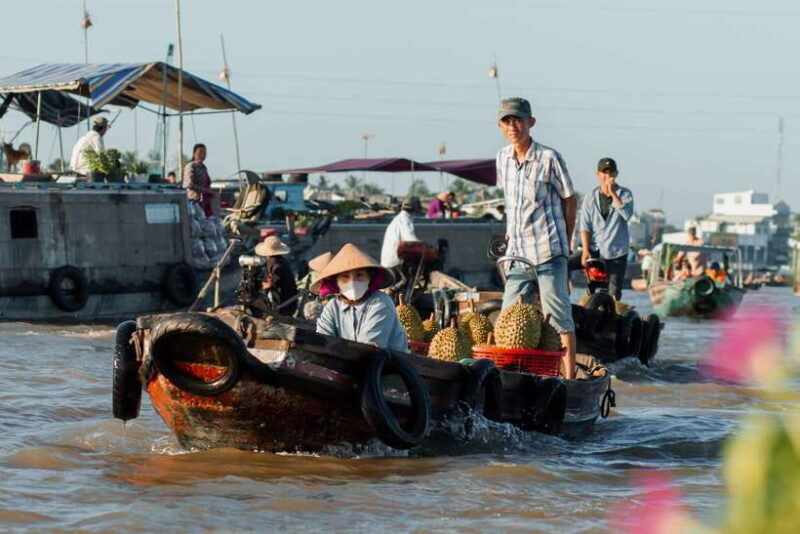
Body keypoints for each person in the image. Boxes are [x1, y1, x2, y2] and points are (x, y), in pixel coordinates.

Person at [496, 97, 578, 379]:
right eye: (507, 121)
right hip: (518, 254)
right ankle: (511, 377)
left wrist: (566, 243)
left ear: (531, 122)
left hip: (548, 250)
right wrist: (510, 230)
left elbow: (569, 199)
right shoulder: (502, 158)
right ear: (500, 126)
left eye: (518, 120)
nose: (513, 126)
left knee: (558, 319)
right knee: (508, 319)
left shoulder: (549, 158)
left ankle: (569, 381)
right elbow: (511, 202)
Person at [313, 243, 408, 351]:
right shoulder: (333, 307)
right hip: (348, 363)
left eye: (359, 275)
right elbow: (323, 339)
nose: (353, 282)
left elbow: (369, 348)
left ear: (370, 278)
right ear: (336, 282)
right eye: (345, 276)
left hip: (386, 365)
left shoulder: (380, 303)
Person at [576, 157, 634, 300]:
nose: (607, 176)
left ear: (616, 174)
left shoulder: (625, 194)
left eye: (611, 173)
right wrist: (585, 250)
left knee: (613, 293)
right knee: (590, 285)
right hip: (596, 250)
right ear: (598, 175)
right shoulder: (590, 197)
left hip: (617, 252)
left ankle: (612, 314)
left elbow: (626, 215)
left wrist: (613, 193)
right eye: (604, 173)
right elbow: (585, 226)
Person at [255, 235, 298, 316]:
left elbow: (269, 284)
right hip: (289, 303)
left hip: (285, 306)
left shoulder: (277, 266)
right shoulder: (281, 261)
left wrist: (258, 286)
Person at [381, 196, 420, 269]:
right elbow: (410, 239)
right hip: (394, 262)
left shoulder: (399, 218)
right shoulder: (405, 219)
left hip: (388, 260)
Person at [183, 143, 214, 217]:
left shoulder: (203, 167)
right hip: (193, 202)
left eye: (204, 153)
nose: (202, 155)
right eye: (200, 152)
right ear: (194, 154)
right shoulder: (191, 166)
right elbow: (188, 184)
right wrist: (203, 190)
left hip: (204, 202)